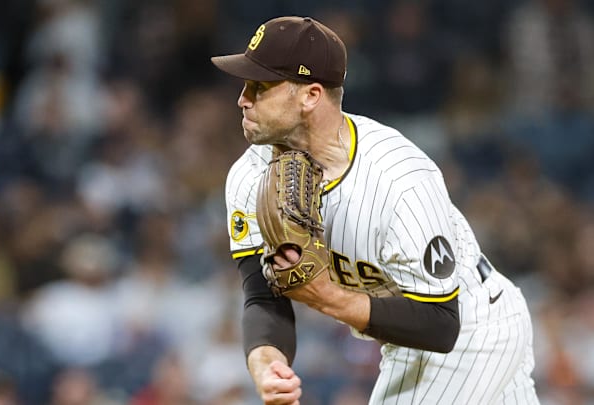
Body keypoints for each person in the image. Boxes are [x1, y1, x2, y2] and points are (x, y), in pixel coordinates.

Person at [211, 16, 540, 405]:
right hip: (406, 339)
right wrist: (267, 365)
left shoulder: (398, 177)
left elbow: (441, 326)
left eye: (260, 86)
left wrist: (325, 297)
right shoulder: (249, 177)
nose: (243, 98)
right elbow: (262, 297)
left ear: (311, 96)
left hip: (470, 330)